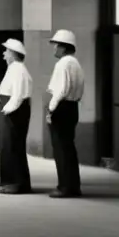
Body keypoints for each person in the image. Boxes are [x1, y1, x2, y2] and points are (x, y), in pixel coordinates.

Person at [46, 29, 85, 198]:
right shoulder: (75, 63)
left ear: (64, 47)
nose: (54, 48)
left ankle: (64, 187)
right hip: (72, 107)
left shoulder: (63, 64)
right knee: (69, 149)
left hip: (62, 108)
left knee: (60, 149)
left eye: (56, 45)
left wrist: (51, 108)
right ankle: (73, 186)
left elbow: (61, 89)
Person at [0, 38, 33, 195]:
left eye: (6, 51)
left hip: (13, 113)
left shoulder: (18, 69)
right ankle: (11, 181)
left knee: (12, 147)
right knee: (8, 146)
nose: (4, 54)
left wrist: (7, 109)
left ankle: (16, 183)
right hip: (9, 110)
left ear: (13, 54)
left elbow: (18, 95)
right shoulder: (14, 68)